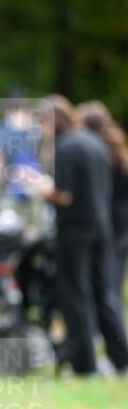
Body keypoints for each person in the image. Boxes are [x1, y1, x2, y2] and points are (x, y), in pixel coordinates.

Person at [37, 95, 128, 376]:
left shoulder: (65, 147)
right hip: (102, 228)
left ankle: (84, 364)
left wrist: (41, 189)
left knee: (75, 295)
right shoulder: (96, 143)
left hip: (74, 230)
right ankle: (121, 358)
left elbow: (65, 194)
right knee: (104, 294)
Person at [77, 101, 128, 305]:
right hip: (121, 218)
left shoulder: (99, 150)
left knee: (106, 276)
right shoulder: (117, 146)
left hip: (108, 218)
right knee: (114, 273)